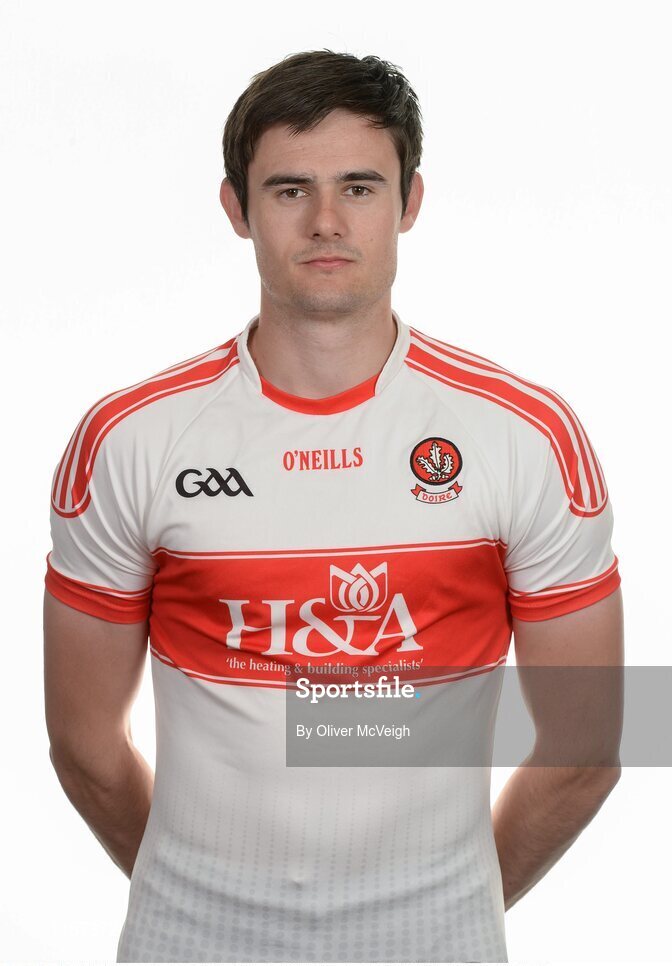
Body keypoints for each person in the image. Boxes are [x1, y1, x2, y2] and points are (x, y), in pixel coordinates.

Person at [43, 49, 623, 964]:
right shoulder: (131, 440)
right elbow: (83, 746)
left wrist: (444, 910)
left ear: (410, 201)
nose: (324, 221)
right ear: (236, 209)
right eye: (287, 190)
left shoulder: (526, 437)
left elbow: (586, 745)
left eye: (359, 186)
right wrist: (207, 898)